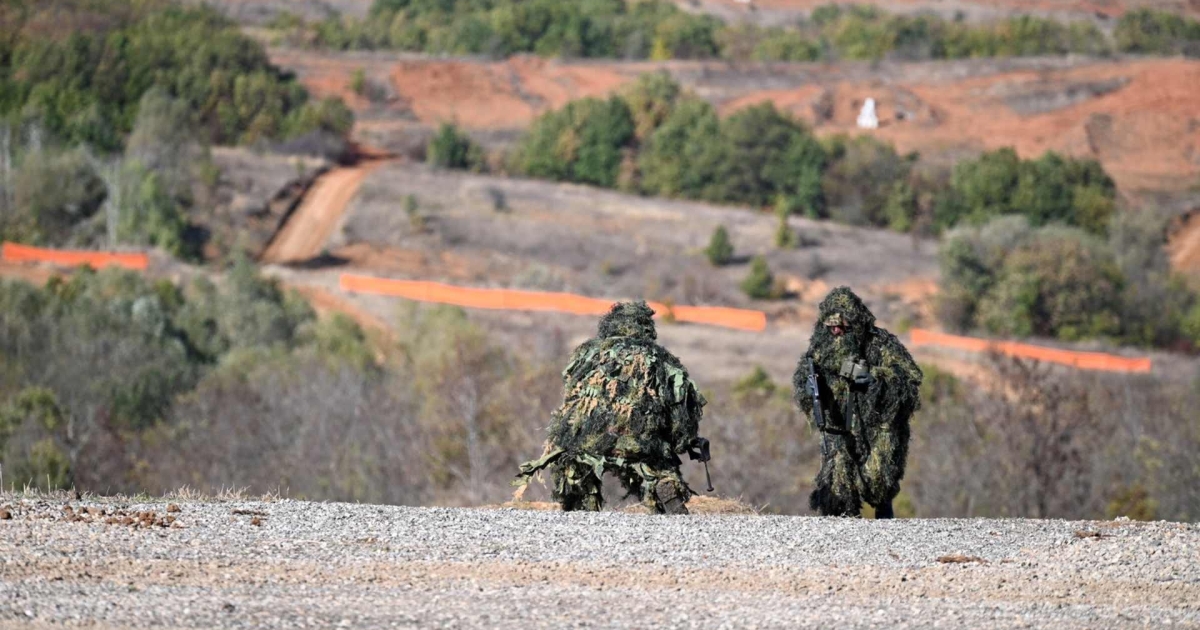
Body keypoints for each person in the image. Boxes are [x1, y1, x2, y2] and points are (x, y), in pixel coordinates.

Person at [514, 301, 709, 514]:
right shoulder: (663, 360)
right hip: (639, 441)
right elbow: (682, 413)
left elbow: (570, 398)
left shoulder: (585, 353)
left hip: (581, 440)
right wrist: (684, 442)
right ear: (646, 327)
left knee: (574, 467)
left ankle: (581, 509)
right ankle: (663, 485)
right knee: (656, 466)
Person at [792, 287, 922, 518]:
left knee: (879, 481)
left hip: (877, 427)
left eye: (842, 326)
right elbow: (804, 377)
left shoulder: (879, 343)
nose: (836, 331)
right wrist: (808, 388)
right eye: (831, 327)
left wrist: (875, 378)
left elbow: (911, 377)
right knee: (837, 490)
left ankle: (885, 519)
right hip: (838, 428)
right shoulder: (820, 348)